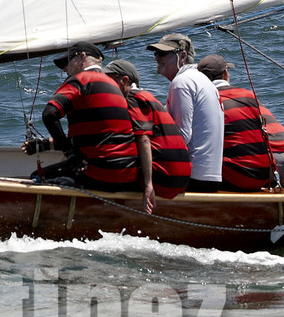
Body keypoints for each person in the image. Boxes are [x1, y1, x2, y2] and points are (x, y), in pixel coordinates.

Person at [34, 41, 146, 198]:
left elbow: (49, 114)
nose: (64, 69)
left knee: (38, 176)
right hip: (127, 174)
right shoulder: (113, 85)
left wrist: (70, 154)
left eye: (67, 62)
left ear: (82, 57)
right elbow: (99, 135)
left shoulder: (81, 80)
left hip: (103, 175)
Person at [104, 59, 190, 208]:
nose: (104, 85)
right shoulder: (146, 96)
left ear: (124, 81)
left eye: (109, 80)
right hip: (181, 178)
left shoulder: (133, 99)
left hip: (165, 179)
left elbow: (143, 139)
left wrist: (148, 184)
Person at [147, 32, 224, 192]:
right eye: (156, 53)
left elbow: (181, 136)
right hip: (210, 177)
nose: (156, 58)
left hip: (193, 178)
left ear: (182, 56)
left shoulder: (182, 82)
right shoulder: (201, 79)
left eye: (162, 53)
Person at [195, 54, 273, 190]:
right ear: (225, 74)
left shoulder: (204, 100)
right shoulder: (247, 95)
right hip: (263, 174)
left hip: (237, 176)